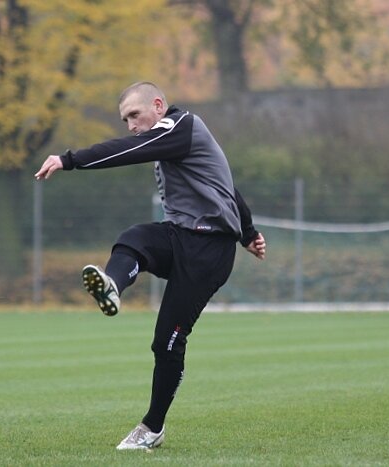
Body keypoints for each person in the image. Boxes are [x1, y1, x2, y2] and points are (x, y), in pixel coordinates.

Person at [35, 81, 266, 451]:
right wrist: (250, 232)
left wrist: (69, 159)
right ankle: (112, 285)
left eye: (134, 115)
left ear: (158, 105)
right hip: (181, 237)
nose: (130, 125)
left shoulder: (182, 127)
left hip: (209, 253)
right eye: (125, 119)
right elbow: (226, 185)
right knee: (134, 238)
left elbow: (129, 151)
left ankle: (152, 428)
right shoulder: (173, 140)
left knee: (167, 343)